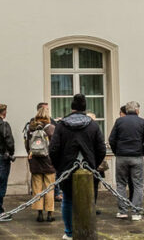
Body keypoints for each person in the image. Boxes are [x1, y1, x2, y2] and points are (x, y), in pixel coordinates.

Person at [50, 93, 106, 240]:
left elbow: (53, 149)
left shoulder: (61, 125)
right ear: (85, 107)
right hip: (89, 168)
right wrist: (93, 162)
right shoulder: (93, 125)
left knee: (67, 199)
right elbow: (101, 149)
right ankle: (86, 230)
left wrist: (60, 167)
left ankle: (69, 232)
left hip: (66, 168)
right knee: (89, 200)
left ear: (72, 107)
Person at [108, 100, 144, 221]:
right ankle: (136, 212)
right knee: (138, 185)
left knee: (121, 184)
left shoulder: (119, 121)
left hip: (121, 156)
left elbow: (111, 139)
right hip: (137, 157)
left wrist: (117, 151)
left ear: (126, 110)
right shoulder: (143, 122)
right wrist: (143, 152)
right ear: (137, 110)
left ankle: (122, 211)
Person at [24, 104, 56, 223]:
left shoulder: (31, 128)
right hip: (49, 162)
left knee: (37, 188)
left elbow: (27, 145)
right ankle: (50, 213)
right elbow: (56, 146)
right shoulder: (51, 128)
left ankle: (39, 213)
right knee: (49, 187)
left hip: (35, 162)